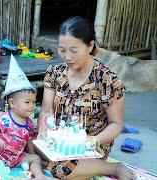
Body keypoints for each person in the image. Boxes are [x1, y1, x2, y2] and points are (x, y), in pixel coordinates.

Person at [37, 16, 135, 179]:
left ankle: (112, 168)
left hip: (91, 143)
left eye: (74, 51)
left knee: (61, 169)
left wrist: (92, 141)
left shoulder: (107, 80)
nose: (67, 57)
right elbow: (46, 110)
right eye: (62, 50)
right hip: (60, 139)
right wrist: (42, 131)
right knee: (23, 141)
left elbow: (116, 124)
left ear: (90, 46)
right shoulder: (54, 73)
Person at [0, 55, 50, 180]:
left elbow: (28, 141)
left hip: (16, 157)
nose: (32, 106)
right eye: (27, 102)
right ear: (12, 103)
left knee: (35, 158)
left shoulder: (29, 123)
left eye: (34, 102)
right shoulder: (4, 118)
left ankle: (39, 176)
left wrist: (32, 155)